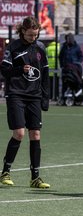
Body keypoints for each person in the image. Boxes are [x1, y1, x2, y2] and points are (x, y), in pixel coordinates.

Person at [0, 16, 50, 188]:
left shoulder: (41, 48)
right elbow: (4, 70)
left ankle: (35, 177)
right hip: (16, 94)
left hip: (34, 96)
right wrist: (20, 69)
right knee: (19, 133)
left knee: (35, 134)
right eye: (30, 35)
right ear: (22, 31)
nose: (33, 38)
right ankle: (5, 172)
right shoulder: (13, 47)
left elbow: (45, 74)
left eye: (35, 35)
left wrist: (45, 97)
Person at [59, 33, 83, 100]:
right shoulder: (64, 47)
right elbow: (60, 56)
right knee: (65, 83)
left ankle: (75, 97)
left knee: (75, 81)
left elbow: (81, 56)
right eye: (67, 39)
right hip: (65, 68)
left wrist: (77, 63)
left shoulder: (76, 47)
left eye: (69, 39)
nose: (68, 40)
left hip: (74, 68)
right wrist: (62, 65)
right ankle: (63, 98)